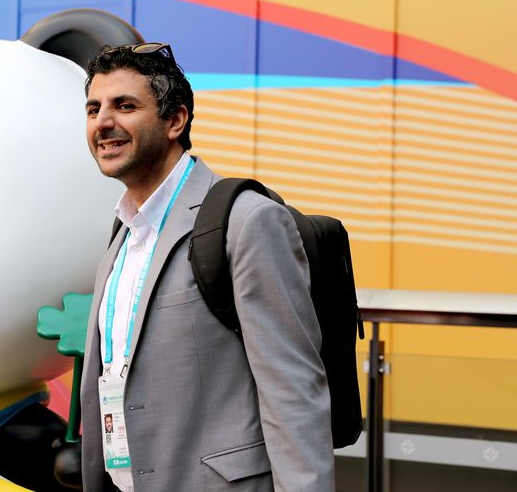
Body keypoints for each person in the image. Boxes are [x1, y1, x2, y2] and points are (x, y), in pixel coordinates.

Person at [78, 43, 334, 492]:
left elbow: (293, 392)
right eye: (94, 109)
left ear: (175, 121)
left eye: (125, 106)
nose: (103, 122)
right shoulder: (124, 232)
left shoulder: (247, 220)